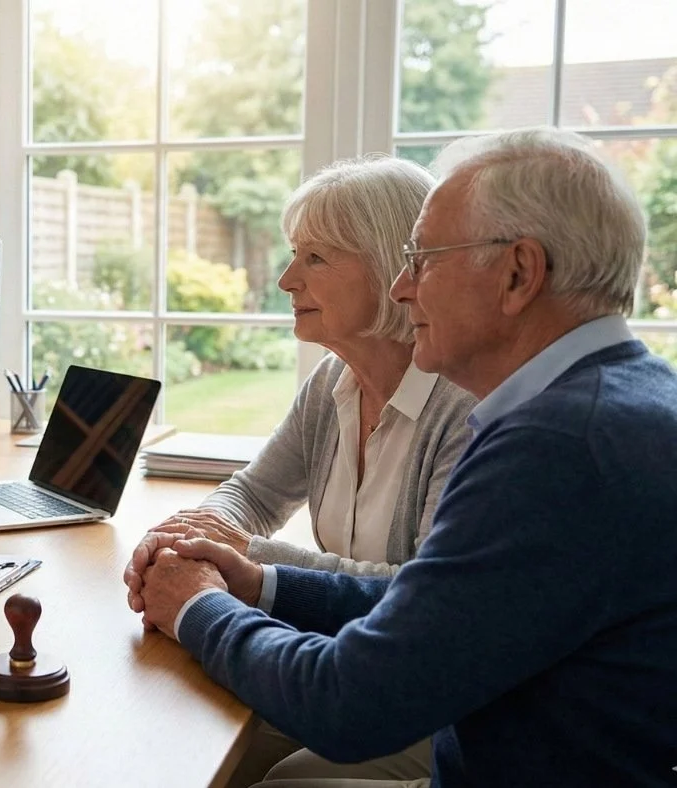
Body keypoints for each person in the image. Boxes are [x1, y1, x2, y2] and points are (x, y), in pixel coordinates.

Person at [131, 127, 677, 788]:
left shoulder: (559, 446)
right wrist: (256, 584)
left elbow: (351, 703)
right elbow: (430, 606)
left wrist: (196, 607)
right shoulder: (606, 402)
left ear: (518, 273)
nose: (402, 287)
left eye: (422, 258)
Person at [129, 156, 477, 782]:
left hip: (431, 702)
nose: (288, 278)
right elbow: (254, 493)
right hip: (348, 660)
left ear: (393, 266)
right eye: (294, 255)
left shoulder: (462, 407)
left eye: (316, 259)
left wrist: (245, 560)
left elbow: (419, 595)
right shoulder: (333, 382)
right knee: (172, 734)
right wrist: (194, 538)